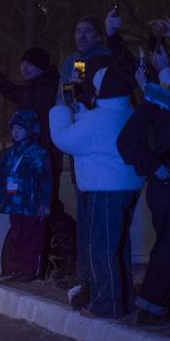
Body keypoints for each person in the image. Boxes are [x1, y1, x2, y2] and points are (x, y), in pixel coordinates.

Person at [51, 60, 141, 317]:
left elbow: (65, 139)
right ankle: (123, 300)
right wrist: (79, 111)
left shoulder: (100, 119)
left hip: (105, 190)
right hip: (125, 188)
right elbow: (92, 129)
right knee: (119, 247)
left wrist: (60, 110)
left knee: (100, 247)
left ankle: (106, 304)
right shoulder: (124, 112)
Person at [0, 45, 69, 278]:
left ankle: (54, 263)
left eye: (29, 63)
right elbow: (11, 91)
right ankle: (26, 267)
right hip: (26, 171)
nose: (23, 67)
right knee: (23, 225)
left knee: (43, 217)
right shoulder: (33, 89)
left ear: (40, 65)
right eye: (22, 63)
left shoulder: (50, 88)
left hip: (44, 161)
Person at [117, 35, 170, 323]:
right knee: (169, 243)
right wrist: (153, 166)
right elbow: (127, 142)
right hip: (167, 179)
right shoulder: (155, 102)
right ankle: (155, 304)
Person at [0, 109, 53, 281]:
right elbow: (1, 177)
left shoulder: (38, 153)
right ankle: (17, 269)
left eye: (20, 128)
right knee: (16, 238)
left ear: (31, 129)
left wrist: (44, 203)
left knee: (32, 239)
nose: (16, 132)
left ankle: (30, 271)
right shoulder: (10, 154)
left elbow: (46, 180)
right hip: (15, 206)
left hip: (32, 207)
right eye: (14, 128)